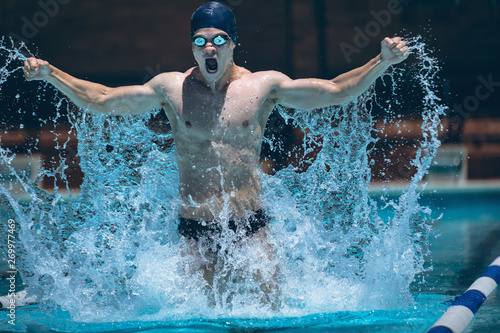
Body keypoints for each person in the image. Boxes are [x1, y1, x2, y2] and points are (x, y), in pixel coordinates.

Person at [23, 1, 409, 305]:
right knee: (193, 319)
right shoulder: (170, 89)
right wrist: (52, 73)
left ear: (234, 43)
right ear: (191, 45)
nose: (210, 47)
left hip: (251, 226)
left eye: (219, 39)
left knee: (271, 314)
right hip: (194, 231)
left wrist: (382, 62)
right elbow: (103, 99)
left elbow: (336, 90)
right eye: (201, 40)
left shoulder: (263, 87)